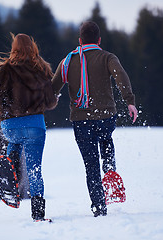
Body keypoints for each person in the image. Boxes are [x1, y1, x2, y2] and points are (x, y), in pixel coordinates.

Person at [0, 33, 57, 222]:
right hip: (35, 126)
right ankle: (38, 214)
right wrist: (54, 98)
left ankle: (10, 165)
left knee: (14, 141)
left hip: (11, 125)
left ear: (14, 48)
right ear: (32, 47)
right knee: (34, 169)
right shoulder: (42, 69)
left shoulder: (6, 69)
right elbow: (50, 102)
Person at [51, 21, 138, 217]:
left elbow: (53, 88)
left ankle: (99, 207)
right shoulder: (107, 57)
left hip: (80, 119)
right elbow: (121, 76)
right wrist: (129, 101)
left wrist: (47, 102)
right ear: (99, 40)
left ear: (80, 40)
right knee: (106, 138)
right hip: (106, 115)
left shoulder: (68, 61)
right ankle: (109, 170)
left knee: (90, 165)